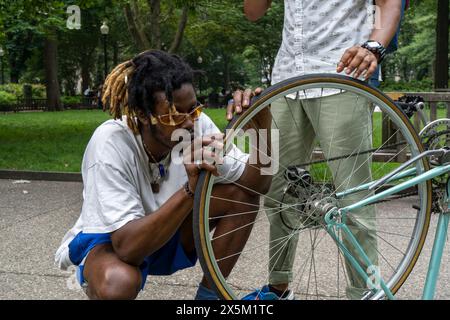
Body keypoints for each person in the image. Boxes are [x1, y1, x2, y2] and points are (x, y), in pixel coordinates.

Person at [55, 50, 271, 300]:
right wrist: (191, 189)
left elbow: (257, 186)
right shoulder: (111, 142)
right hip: (113, 240)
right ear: (144, 115)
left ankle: (209, 299)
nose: (190, 122)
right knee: (119, 283)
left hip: (167, 233)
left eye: (193, 109)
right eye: (175, 115)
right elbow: (127, 249)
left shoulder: (196, 126)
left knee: (239, 195)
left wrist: (263, 128)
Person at [229, 0, 403, 300]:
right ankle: (278, 287)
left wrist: (374, 46)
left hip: (344, 76)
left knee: (354, 198)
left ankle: (365, 293)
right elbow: (253, 12)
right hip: (288, 78)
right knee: (278, 190)